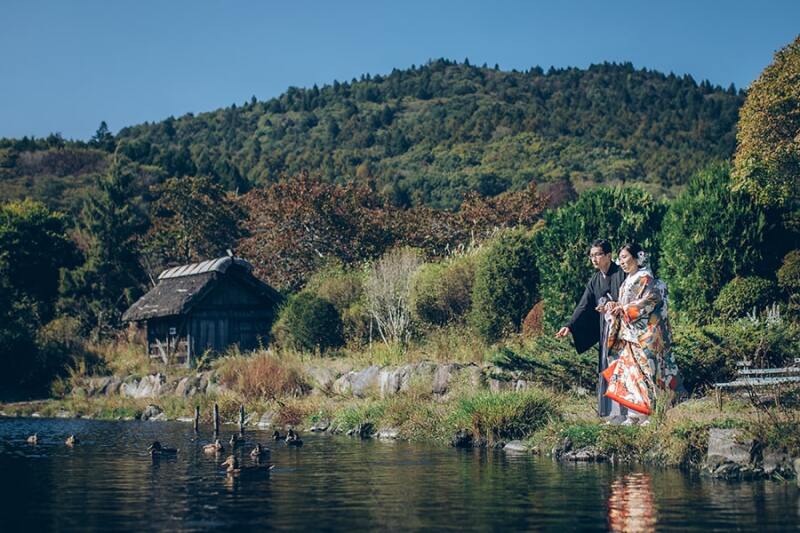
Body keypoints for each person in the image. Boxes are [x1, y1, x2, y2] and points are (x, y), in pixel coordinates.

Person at [601, 243, 682, 425]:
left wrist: (624, 309)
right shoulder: (626, 281)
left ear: (637, 258)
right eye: (619, 258)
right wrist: (613, 307)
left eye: (625, 257)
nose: (621, 262)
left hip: (645, 333)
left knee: (648, 373)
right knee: (630, 374)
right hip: (629, 334)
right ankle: (634, 414)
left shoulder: (645, 277)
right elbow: (624, 304)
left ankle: (652, 414)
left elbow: (651, 301)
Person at [556, 239, 626, 418]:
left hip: (623, 330)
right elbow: (583, 305)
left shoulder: (621, 274)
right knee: (606, 366)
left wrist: (613, 306)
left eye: (598, 254)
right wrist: (569, 326)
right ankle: (609, 412)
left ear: (609, 256)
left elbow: (630, 300)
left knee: (622, 367)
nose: (594, 259)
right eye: (591, 255)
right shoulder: (595, 279)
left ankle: (627, 411)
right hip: (605, 330)